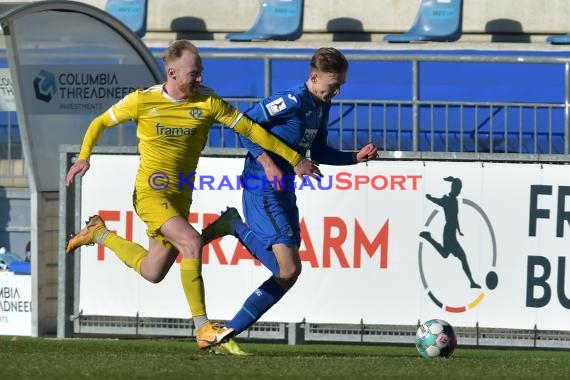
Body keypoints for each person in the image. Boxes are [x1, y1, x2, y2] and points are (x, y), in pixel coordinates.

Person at [65, 40, 320, 352]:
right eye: (193, 73)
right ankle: (203, 328)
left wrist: (293, 159)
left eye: (201, 73)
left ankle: (99, 233)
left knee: (152, 271)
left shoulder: (208, 101)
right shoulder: (142, 101)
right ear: (172, 72)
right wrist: (84, 156)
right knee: (191, 242)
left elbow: (253, 131)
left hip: (180, 197)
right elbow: (100, 122)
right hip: (150, 194)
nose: (200, 79)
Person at [201, 47, 378, 355]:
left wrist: (355, 157)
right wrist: (268, 163)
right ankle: (222, 333)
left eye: (340, 85)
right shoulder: (292, 100)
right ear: (313, 77)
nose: (337, 91)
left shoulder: (321, 107)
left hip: (284, 189)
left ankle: (222, 333)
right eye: (333, 84)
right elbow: (242, 125)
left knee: (289, 271)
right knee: (288, 270)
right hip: (261, 186)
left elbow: (319, 152)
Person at [419, 176, 481, 288]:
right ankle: (471, 282)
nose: (459, 191)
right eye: (458, 189)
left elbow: (455, 217)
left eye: (460, 189)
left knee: (446, 254)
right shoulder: (447, 200)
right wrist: (429, 197)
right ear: (454, 188)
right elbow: (438, 201)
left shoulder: (454, 200)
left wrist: (459, 230)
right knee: (459, 256)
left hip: (451, 232)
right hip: (448, 232)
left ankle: (428, 237)